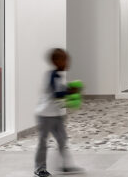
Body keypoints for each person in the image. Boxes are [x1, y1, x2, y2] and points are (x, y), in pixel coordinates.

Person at [34, 48, 84, 176]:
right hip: (45, 115)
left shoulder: (58, 76)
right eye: (65, 60)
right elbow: (56, 94)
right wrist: (70, 91)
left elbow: (60, 91)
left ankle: (65, 165)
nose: (67, 63)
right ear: (55, 61)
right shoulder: (52, 75)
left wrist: (69, 90)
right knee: (43, 141)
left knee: (62, 139)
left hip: (55, 115)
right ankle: (40, 169)